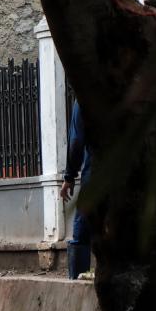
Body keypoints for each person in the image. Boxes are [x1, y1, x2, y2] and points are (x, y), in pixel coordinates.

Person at [61, 0, 156, 280]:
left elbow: (77, 140)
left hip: (107, 166)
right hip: (135, 162)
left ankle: (79, 279)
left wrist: (69, 177)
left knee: (85, 228)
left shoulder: (94, 88)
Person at [62, 99, 93, 279]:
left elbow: (76, 144)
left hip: (96, 176)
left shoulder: (84, 100)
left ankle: (76, 282)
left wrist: (69, 177)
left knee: (81, 230)